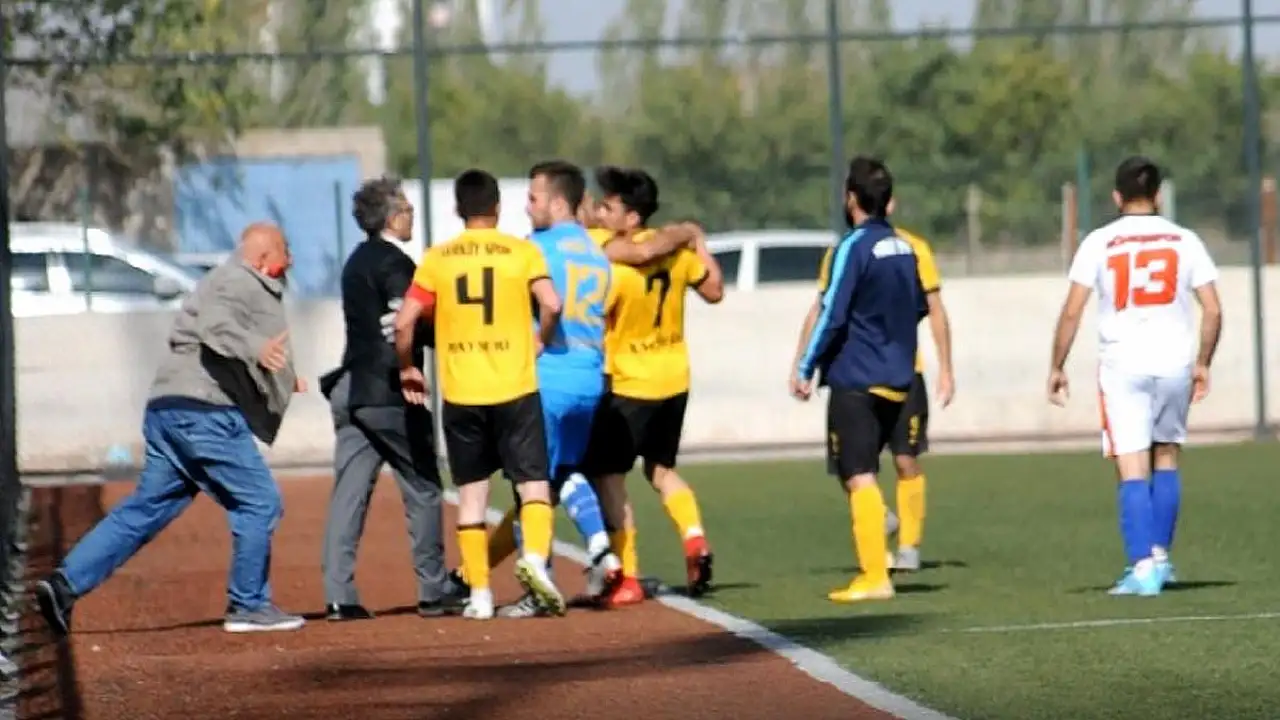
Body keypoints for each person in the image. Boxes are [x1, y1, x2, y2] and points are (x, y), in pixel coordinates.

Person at [35, 223, 307, 635]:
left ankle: (64, 585)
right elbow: (215, 325)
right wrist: (257, 348)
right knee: (259, 502)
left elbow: (219, 340)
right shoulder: (237, 279)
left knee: (146, 508)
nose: (291, 259)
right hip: (204, 413)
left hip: (168, 409)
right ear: (264, 257)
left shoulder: (225, 279)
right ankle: (249, 604)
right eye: (286, 250)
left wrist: (282, 379)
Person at [393, 168, 565, 620]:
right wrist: (541, 339)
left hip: (463, 391)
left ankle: (481, 595)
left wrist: (408, 366)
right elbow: (552, 302)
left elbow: (404, 322)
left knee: (472, 493)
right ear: (497, 207)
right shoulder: (522, 252)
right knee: (532, 484)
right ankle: (534, 559)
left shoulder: (438, 258)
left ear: (458, 209)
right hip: (515, 386)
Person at [1047, 156, 1222, 597]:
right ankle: (1159, 559)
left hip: (1123, 365)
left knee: (1131, 464)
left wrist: (1057, 365)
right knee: (1167, 457)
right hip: (1174, 362)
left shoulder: (1100, 242)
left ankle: (1143, 568)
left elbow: (1072, 310)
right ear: (1158, 195)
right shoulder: (1185, 240)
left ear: (1116, 196)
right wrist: (1203, 361)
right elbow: (1213, 309)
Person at [317, 176, 467, 622]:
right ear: (390, 217)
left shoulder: (355, 261)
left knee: (349, 494)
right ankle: (434, 588)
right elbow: (405, 322)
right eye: (405, 208)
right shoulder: (396, 262)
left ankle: (339, 594)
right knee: (423, 486)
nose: (411, 214)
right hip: (389, 390)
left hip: (351, 388)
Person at [584, 166, 724, 606]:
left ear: (632, 217)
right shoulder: (678, 255)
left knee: (610, 478)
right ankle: (694, 537)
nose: (601, 214)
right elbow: (715, 290)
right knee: (660, 470)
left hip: (630, 383)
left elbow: (596, 317)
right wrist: (697, 241)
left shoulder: (615, 265)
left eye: (609, 208)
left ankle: (626, 576)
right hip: (674, 378)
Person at [791, 156, 927, 604]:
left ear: (851, 198)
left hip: (858, 378)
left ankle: (874, 575)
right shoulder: (905, 248)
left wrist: (806, 366)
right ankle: (884, 552)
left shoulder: (853, 247)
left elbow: (832, 312)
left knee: (857, 474)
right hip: (899, 376)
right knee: (868, 472)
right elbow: (918, 308)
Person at [792, 210, 955, 572]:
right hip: (859, 374)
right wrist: (800, 360)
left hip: (904, 373)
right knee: (850, 466)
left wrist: (946, 368)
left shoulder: (913, 248)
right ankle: (880, 522)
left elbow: (934, 309)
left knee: (905, 459)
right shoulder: (843, 250)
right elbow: (822, 307)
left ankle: (909, 547)